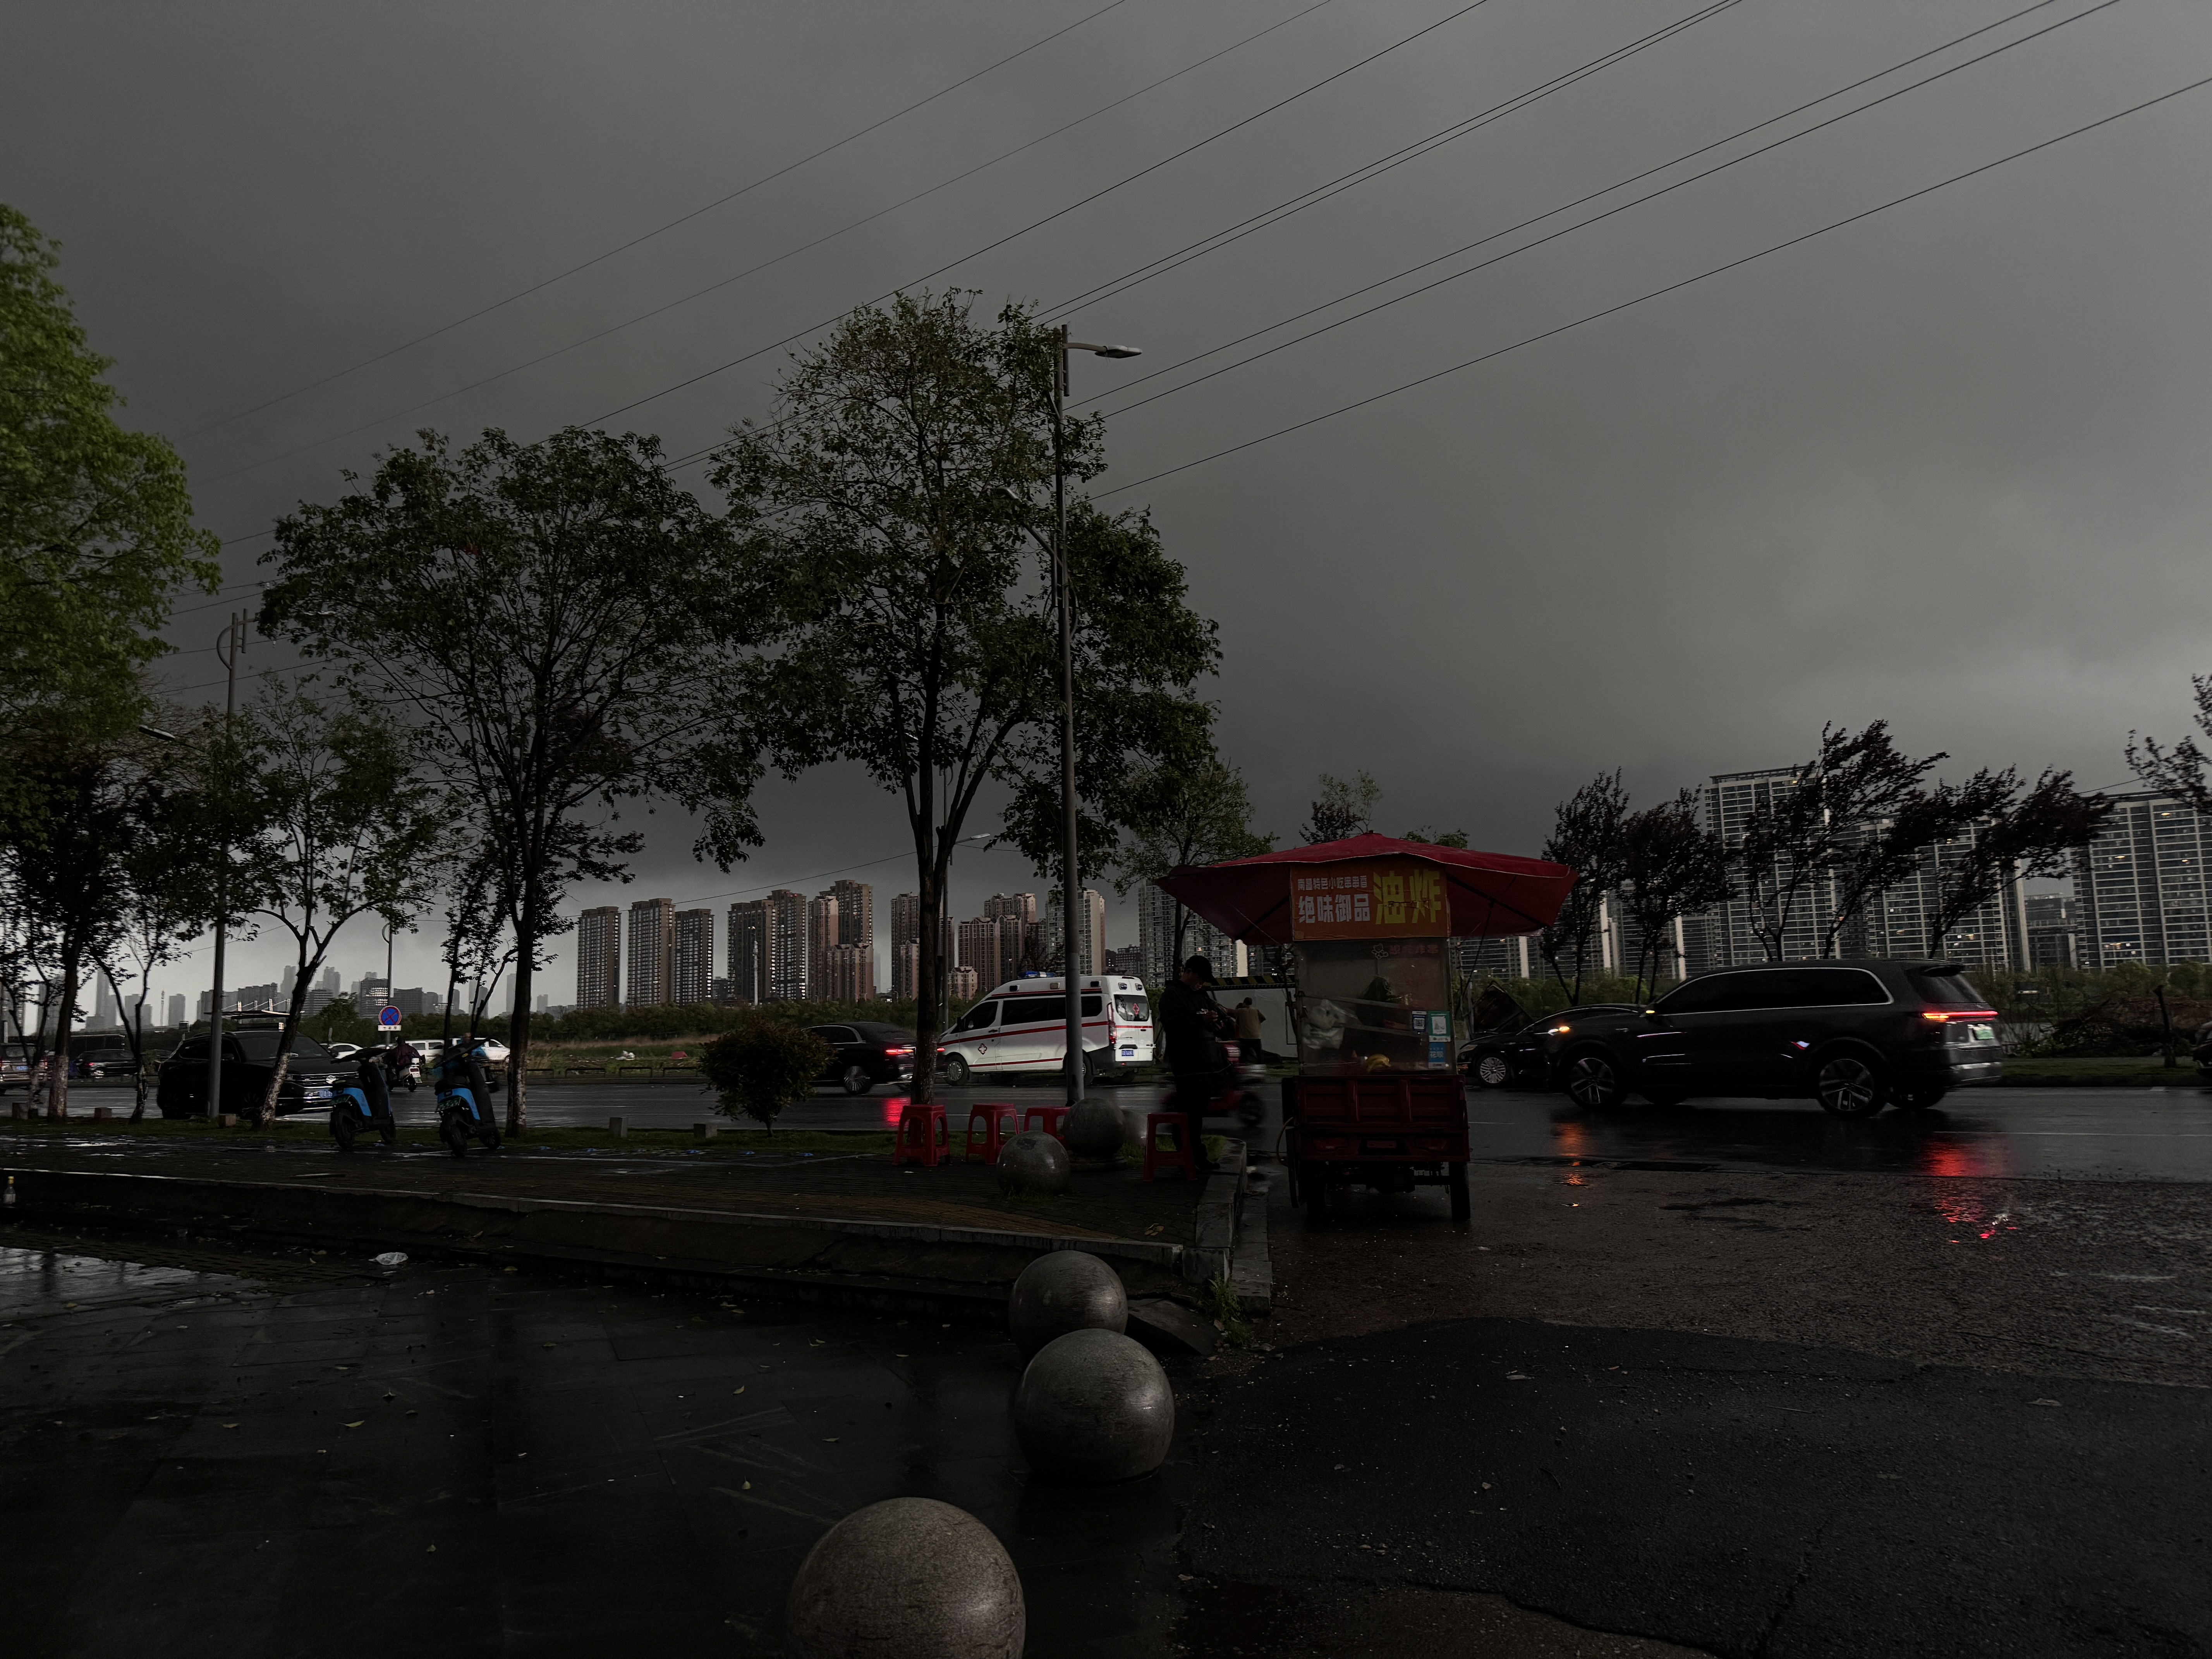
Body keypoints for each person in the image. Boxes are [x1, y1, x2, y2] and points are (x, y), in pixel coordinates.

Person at [1159, 955, 1232, 1171]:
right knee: (1188, 1111)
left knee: (1198, 1111)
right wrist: (1202, 1020)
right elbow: (1175, 1024)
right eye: (1199, 978)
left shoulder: (1201, 995)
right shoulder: (1172, 995)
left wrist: (1218, 1024)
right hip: (1186, 1064)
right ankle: (1186, 1155)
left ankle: (1195, 1156)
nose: (1201, 983)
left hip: (1206, 1062)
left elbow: (1217, 1017)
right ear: (1188, 972)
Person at [1233, 997, 1267, 1063]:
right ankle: (1261, 1064)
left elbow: (1232, 1013)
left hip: (1245, 1036)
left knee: (1244, 1053)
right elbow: (1263, 1018)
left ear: (1244, 1003)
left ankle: (1243, 1064)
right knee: (1259, 1053)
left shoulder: (1241, 1011)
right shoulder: (1256, 1011)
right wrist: (1257, 1022)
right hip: (1256, 1036)